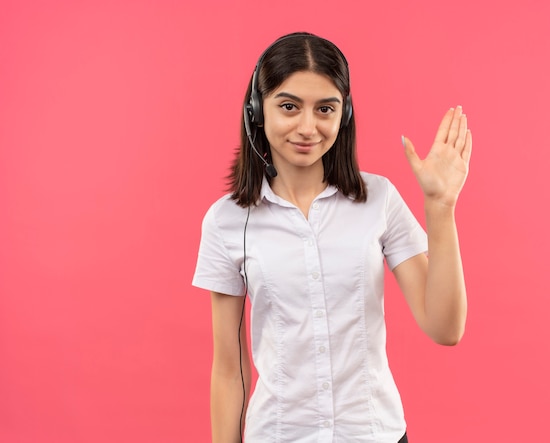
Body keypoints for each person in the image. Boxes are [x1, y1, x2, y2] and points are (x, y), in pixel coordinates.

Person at [192, 31, 471, 443]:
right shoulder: (227, 222)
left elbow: (445, 328)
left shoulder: (380, 200)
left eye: (325, 108)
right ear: (257, 110)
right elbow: (229, 370)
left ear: (344, 113)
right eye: (289, 107)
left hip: (375, 434)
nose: (308, 127)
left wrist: (441, 208)